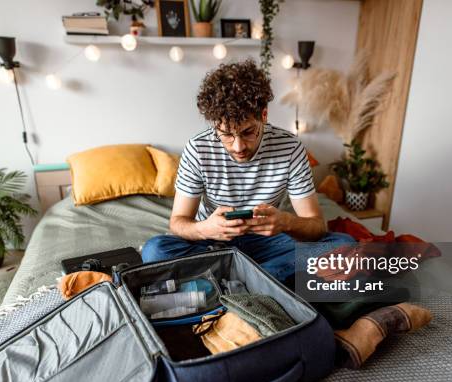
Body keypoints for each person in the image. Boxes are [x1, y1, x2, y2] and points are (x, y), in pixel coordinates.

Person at [142, 59, 354, 281]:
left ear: (263, 115)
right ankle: (262, 279)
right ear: (215, 124)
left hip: (268, 241)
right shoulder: (198, 149)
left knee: (344, 246)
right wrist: (206, 229)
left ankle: (236, 278)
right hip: (211, 243)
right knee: (154, 250)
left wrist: (285, 222)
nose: (238, 146)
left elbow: (317, 225)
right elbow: (178, 222)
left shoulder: (291, 148)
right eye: (226, 134)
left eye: (247, 132)